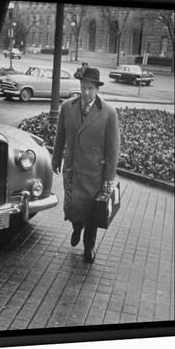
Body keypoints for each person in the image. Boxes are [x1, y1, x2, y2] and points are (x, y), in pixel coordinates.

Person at [51, 67, 120, 262]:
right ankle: (76, 227)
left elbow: (113, 149)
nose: (86, 92)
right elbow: (60, 137)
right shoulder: (67, 107)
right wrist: (56, 158)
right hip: (72, 170)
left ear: (97, 89)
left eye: (90, 88)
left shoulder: (108, 113)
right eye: (83, 87)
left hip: (94, 173)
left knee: (92, 212)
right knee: (74, 208)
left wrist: (108, 178)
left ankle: (89, 247)